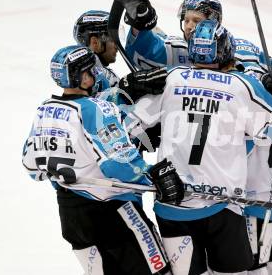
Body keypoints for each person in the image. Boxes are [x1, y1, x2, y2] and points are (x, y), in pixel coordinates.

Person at [114, 0, 272, 274]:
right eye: (186, 20)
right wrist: (143, 23)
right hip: (223, 188)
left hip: (253, 181)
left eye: (197, 20)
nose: (189, 27)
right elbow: (150, 50)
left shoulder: (240, 57)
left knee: (271, 263)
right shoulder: (183, 55)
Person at [21, 45, 184, 275]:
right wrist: (154, 177)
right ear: (83, 77)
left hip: (71, 217)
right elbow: (120, 165)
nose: (96, 75)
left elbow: (31, 166)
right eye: (91, 70)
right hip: (114, 215)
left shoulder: (45, 110)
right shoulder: (95, 109)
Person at [73, 10, 120, 88]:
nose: (117, 46)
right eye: (112, 40)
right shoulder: (90, 78)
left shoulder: (98, 72)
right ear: (95, 43)